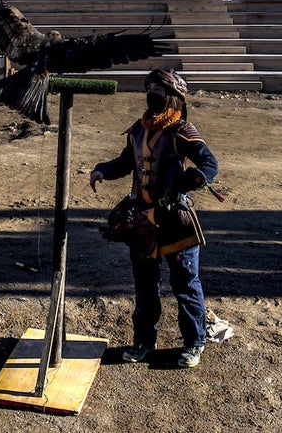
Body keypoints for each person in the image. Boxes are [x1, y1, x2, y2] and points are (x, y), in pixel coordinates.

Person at [89, 68, 219, 368]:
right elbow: (125, 163)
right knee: (145, 288)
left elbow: (210, 165)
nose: (151, 97)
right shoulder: (138, 129)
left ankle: (194, 344)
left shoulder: (183, 131)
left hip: (175, 222)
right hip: (142, 223)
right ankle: (144, 341)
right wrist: (102, 170)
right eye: (149, 91)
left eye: (158, 92)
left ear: (173, 98)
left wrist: (182, 183)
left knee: (186, 285)